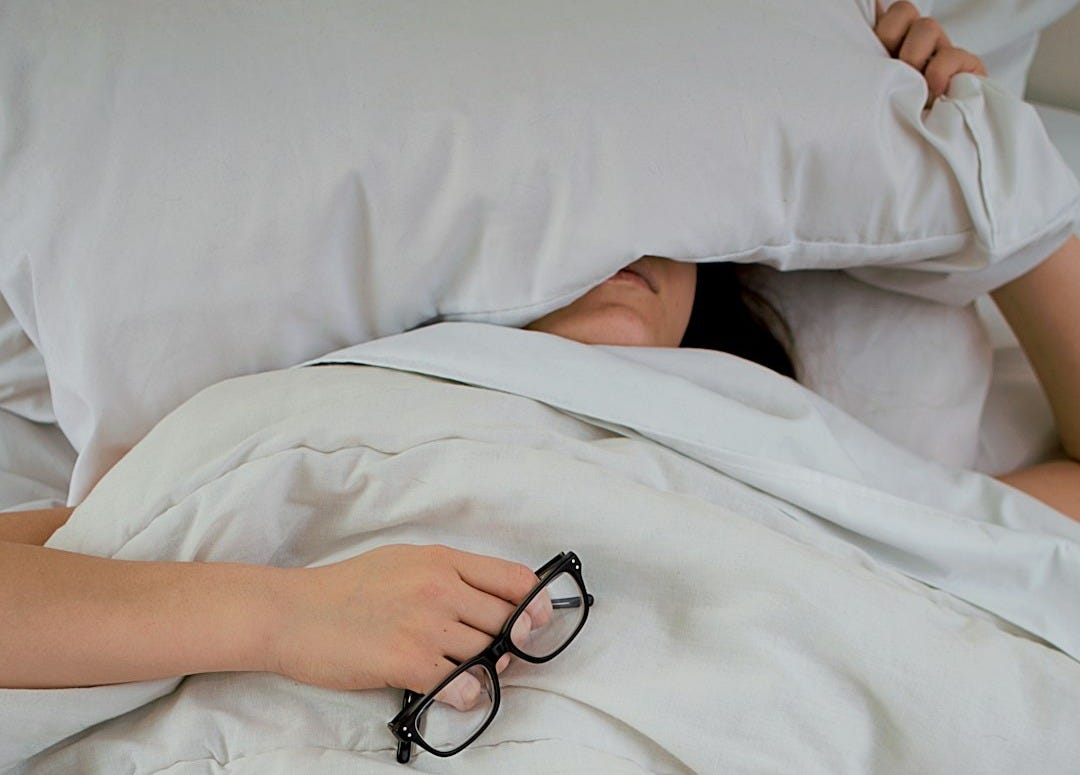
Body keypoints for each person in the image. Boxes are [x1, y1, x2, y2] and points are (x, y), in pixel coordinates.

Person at [0, 3, 1074, 705]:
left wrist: (978, 149)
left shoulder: (786, 449)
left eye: (663, 221)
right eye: (572, 225)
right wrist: (285, 616)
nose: (625, 246)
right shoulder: (329, 421)